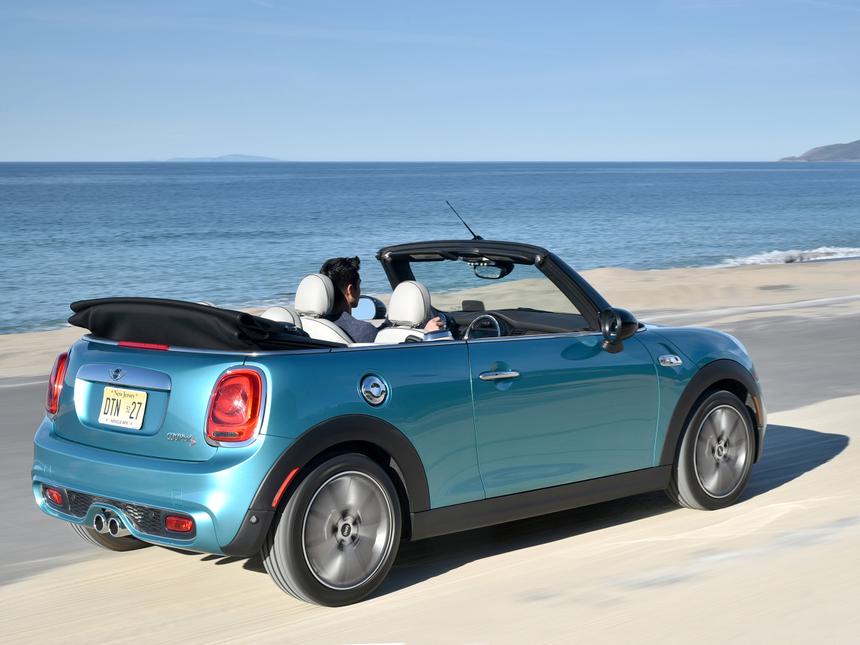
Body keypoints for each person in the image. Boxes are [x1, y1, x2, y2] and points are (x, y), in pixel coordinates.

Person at [320, 256, 442, 343]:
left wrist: (388, 324)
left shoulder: (313, 326)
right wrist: (424, 335)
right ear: (350, 290)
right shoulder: (362, 331)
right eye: (359, 284)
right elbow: (394, 361)